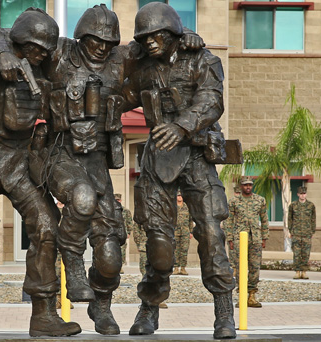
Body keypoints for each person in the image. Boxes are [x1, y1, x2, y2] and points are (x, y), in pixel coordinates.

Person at [0, 5, 204, 334]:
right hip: (60, 153)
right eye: (93, 40)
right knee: (82, 199)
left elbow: (160, 43)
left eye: (107, 41)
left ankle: (101, 304)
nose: (101, 47)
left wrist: (184, 34)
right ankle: (72, 264)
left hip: (98, 161)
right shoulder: (58, 52)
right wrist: (2, 53)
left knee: (111, 252)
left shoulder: (124, 57)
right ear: (80, 36)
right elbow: (2, 34)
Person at [0, 8, 80, 337]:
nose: (39, 55)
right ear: (20, 41)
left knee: (47, 225)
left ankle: (44, 313)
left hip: (20, 160)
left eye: (43, 51)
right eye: (34, 47)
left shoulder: (43, 71)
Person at [123, 3, 236, 339]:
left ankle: (224, 312)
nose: (152, 42)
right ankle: (149, 309)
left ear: (172, 33)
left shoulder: (204, 60)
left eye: (158, 35)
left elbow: (212, 100)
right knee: (158, 242)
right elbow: (118, 94)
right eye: (145, 38)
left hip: (197, 158)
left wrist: (183, 126)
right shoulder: (142, 67)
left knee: (212, 235)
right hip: (158, 161)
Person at [227, 176, 269, 308]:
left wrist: (264, 237)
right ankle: (242, 295)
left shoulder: (259, 200)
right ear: (241, 186)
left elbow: (264, 219)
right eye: (245, 185)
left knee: (255, 267)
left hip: (255, 238)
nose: (248, 187)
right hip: (239, 238)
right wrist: (230, 239)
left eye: (250, 185)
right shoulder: (234, 201)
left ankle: (252, 295)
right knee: (240, 268)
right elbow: (228, 221)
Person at [288, 186, 316, 280]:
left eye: (304, 194)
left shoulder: (311, 205)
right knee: (296, 253)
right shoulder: (293, 205)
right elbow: (290, 219)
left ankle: (304, 272)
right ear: (298, 194)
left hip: (307, 233)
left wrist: (312, 231)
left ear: (306, 194)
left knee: (305, 253)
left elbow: (313, 219)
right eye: (301, 194)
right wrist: (290, 230)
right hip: (296, 233)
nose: (302, 195)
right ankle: (297, 272)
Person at [222, 185, 241, 275]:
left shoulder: (244, 203)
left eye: (239, 193)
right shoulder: (231, 203)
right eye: (237, 193)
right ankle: (234, 268)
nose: (238, 195)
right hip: (233, 231)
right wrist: (229, 233)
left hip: (242, 231)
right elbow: (227, 219)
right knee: (233, 251)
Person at [173, 190, 193, 276]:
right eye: (178, 196)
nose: (179, 197)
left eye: (180, 196)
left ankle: (183, 268)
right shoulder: (173, 207)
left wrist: (191, 231)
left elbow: (190, 220)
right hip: (175, 231)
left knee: (184, 249)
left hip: (185, 231)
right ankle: (176, 268)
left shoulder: (187, 207)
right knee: (175, 250)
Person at [115, 193, 134, 274]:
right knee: (113, 250)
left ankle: (120, 267)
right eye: (116, 200)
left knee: (122, 251)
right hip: (113, 233)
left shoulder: (125, 211)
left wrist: (129, 232)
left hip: (122, 233)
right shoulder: (110, 210)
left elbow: (129, 222)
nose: (118, 201)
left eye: (119, 200)